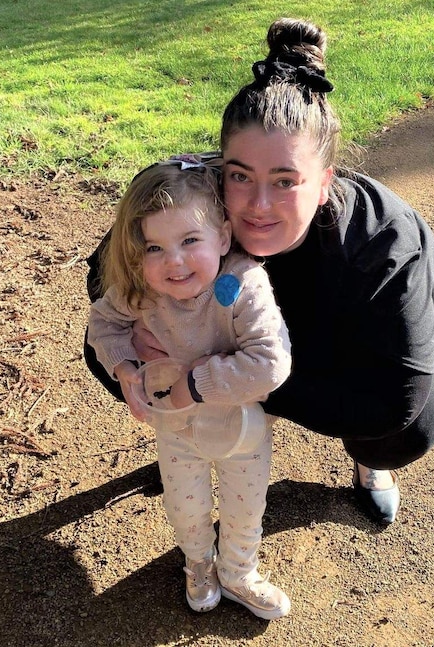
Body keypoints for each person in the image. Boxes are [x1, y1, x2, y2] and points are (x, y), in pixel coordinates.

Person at [86, 17, 434, 526]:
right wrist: (146, 358)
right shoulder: (194, 199)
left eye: (285, 181)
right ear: (222, 165)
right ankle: (195, 435)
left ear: (325, 181)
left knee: (408, 432)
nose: (258, 205)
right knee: (119, 352)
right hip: (230, 338)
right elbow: (106, 277)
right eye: (240, 175)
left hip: (332, 350)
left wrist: (225, 375)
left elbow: (395, 401)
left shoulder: (385, 242)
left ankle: (369, 465)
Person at [86, 157, 293, 619]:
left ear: (222, 236)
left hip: (244, 427)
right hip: (175, 428)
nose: (173, 261)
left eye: (190, 241)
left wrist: (193, 385)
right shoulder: (140, 290)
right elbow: (103, 323)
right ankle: (198, 563)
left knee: (245, 507)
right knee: (186, 505)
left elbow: (271, 364)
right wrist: (123, 368)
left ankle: (240, 572)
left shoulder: (242, 285)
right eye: (154, 248)